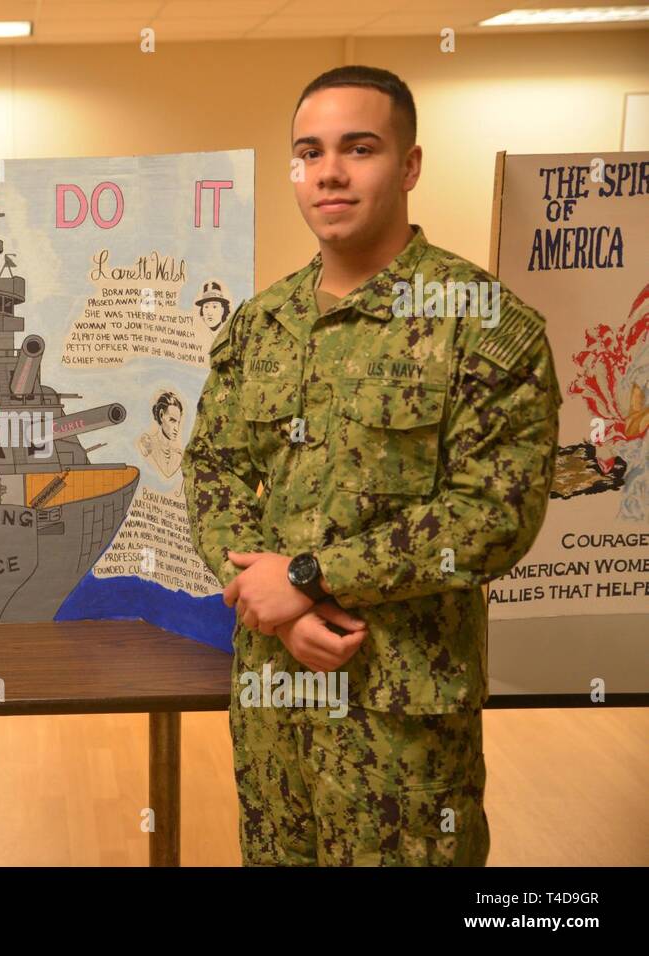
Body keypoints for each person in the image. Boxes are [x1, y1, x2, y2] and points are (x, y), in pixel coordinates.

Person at [181, 66, 560, 865]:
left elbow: (494, 515)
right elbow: (212, 465)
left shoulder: (484, 324)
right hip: (275, 697)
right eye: (308, 152)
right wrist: (269, 598)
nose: (329, 172)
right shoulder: (264, 324)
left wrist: (313, 576)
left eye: (360, 148)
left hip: (400, 719)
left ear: (410, 166)